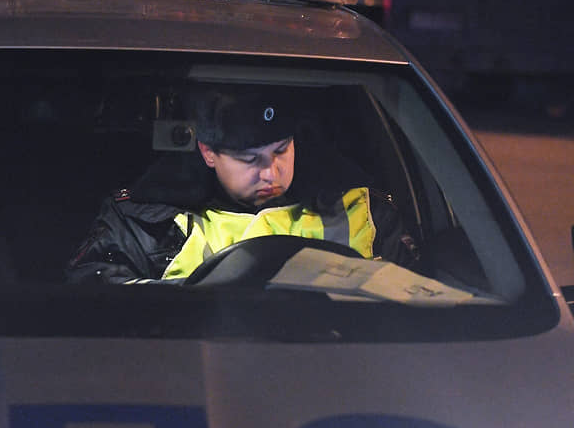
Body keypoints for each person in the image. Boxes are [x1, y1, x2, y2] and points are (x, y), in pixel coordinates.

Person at [65, 87, 421, 284]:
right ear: (208, 153)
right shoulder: (141, 220)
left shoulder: (363, 209)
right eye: (250, 159)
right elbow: (95, 302)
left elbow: (413, 304)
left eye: (281, 150)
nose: (270, 172)